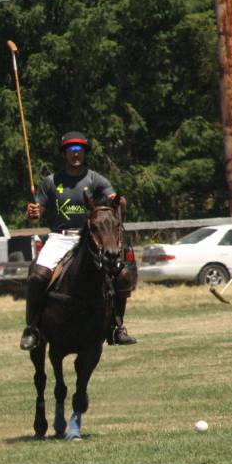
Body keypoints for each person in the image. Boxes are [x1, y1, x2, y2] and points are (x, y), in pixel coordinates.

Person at [20, 130, 137, 350]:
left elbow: (114, 200)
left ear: (85, 153)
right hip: (60, 237)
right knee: (37, 276)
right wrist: (33, 212)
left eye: (80, 150)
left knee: (121, 276)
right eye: (71, 150)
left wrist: (119, 201)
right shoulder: (51, 182)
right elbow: (37, 212)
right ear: (64, 153)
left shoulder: (95, 179)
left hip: (92, 238)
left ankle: (117, 326)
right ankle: (32, 328)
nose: (76, 154)